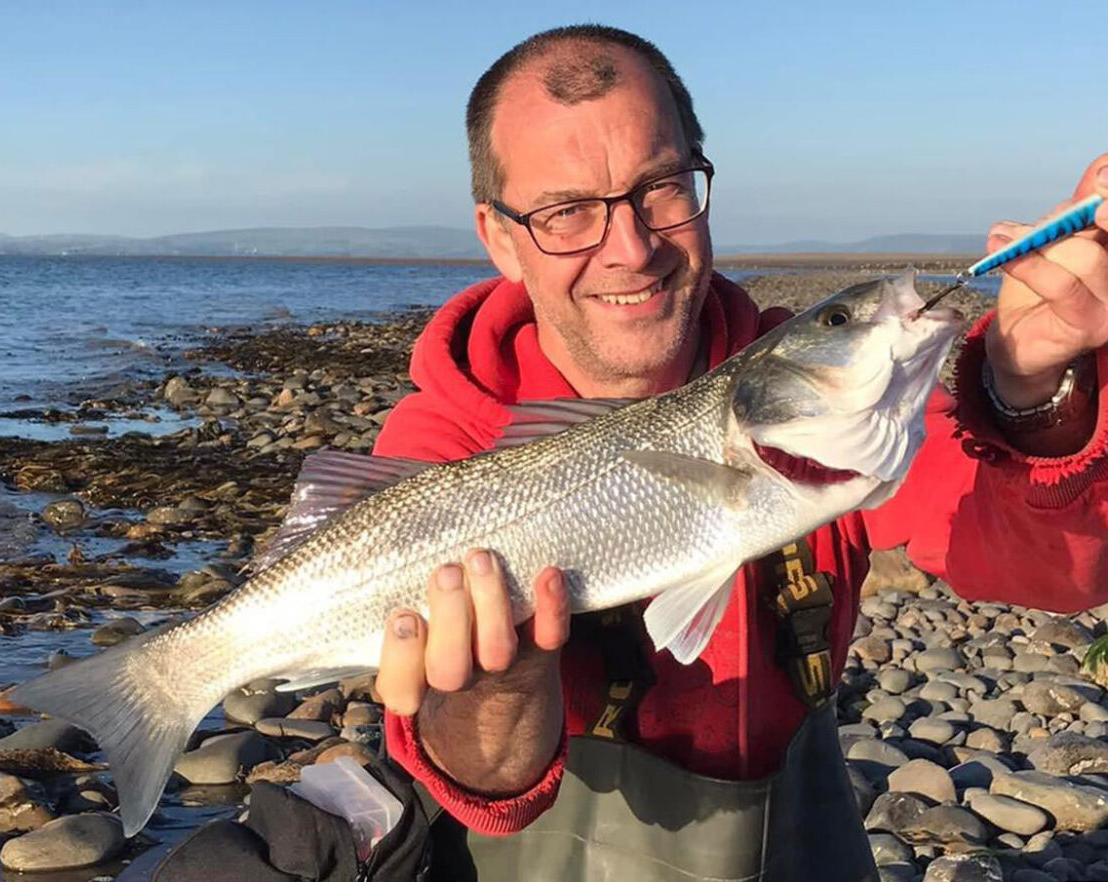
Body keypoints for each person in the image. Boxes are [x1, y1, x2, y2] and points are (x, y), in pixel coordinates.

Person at [364, 24, 1108, 882]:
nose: (631, 247)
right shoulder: (441, 451)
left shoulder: (819, 407)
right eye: (566, 212)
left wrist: (1031, 395)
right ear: (498, 237)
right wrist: (494, 694)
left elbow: (1054, 572)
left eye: (662, 188)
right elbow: (464, 777)